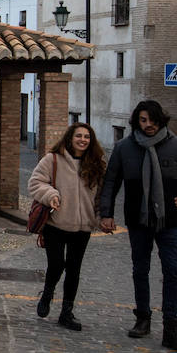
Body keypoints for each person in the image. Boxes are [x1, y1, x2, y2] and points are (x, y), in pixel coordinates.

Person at [98, 99, 177, 353]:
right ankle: (143, 318)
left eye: (152, 120)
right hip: (138, 221)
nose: (148, 125)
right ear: (136, 121)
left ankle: (171, 326)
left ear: (161, 120)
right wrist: (106, 214)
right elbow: (111, 182)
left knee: (172, 272)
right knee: (140, 269)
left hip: (170, 221)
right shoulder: (124, 148)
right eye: (143, 120)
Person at [27, 123, 106, 331]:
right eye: (78, 136)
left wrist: (101, 217)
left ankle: (66, 312)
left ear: (91, 140)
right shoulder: (53, 159)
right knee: (56, 264)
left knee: (74, 269)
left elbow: (100, 196)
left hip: (83, 227)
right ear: (70, 138)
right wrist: (51, 195)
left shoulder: (97, 164)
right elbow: (35, 183)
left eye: (87, 137)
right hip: (56, 224)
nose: (83, 140)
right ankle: (47, 293)